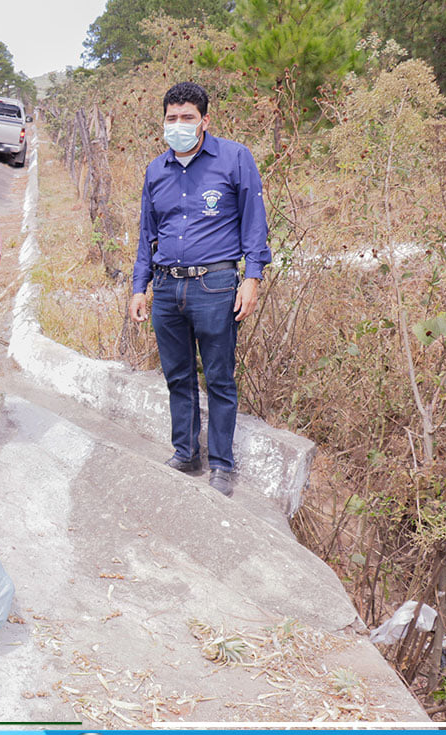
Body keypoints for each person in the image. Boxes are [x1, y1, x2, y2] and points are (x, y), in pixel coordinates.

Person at [128, 82, 271, 497]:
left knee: (220, 378)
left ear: (204, 120)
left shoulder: (235, 158)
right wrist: (139, 287)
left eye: (187, 117)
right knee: (178, 376)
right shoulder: (156, 171)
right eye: (171, 118)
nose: (178, 125)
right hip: (166, 287)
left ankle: (222, 465)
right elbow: (147, 234)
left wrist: (252, 278)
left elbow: (254, 222)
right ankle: (186, 453)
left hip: (215, 285)